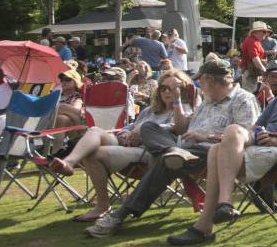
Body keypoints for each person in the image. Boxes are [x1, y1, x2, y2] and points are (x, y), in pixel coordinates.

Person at [166, 46, 277, 246]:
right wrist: (240, 137)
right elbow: (254, 128)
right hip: (260, 142)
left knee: (216, 151)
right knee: (230, 134)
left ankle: (205, 225)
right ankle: (223, 205)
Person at [87, 61, 259, 237]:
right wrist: (177, 100)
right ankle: (173, 153)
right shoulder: (207, 101)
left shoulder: (243, 99)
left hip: (209, 150)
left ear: (210, 80)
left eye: (200, 80)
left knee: (165, 162)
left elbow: (244, 137)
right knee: (149, 127)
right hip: (181, 146)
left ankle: (120, 215)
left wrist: (205, 136)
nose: (198, 85)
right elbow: (182, 128)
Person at [46, 71, 192, 221]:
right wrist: (125, 134)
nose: (167, 92)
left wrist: (142, 132)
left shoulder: (184, 109)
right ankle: (69, 163)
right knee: (94, 130)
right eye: (163, 88)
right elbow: (129, 126)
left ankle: (102, 206)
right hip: (127, 144)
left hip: (148, 152)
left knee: (93, 154)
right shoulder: (151, 110)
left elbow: (177, 128)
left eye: (173, 88)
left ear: (182, 89)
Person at [239, 21, 270, 93]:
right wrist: (264, 71)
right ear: (256, 32)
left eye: (266, 32)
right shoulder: (251, 41)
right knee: (250, 95)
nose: (266, 34)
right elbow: (255, 58)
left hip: (253, 73)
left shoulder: (255, 41)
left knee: (254, 94)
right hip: (249, 73)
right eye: (264, 32)